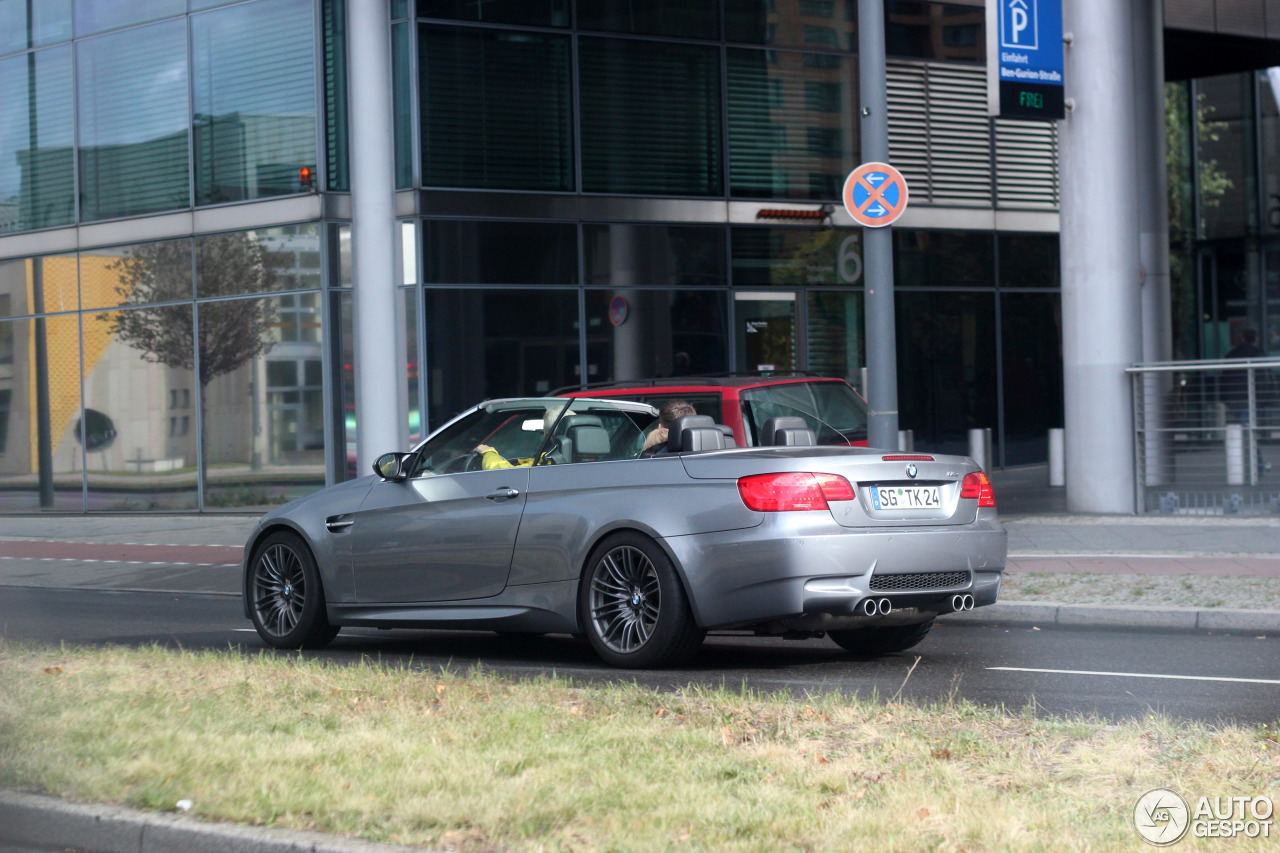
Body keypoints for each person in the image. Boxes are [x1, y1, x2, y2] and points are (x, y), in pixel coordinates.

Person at [1221, 328, 1269, 474]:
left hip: (1236, 400)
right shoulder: (1258, 354)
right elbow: (1265, 378)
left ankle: (1256, 466)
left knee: (1246, 430)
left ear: (1242, 338)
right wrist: (1266, 397)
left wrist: (1226, 399)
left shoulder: (1231, 355)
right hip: (1252, 399)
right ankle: (1258, 466)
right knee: (1249, 431)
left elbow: (1225, 379)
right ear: (1255, 339)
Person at [474, 406, 568, 470]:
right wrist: (520, 461)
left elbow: (503, 472)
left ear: (548, 435)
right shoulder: (576, 460)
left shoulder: (550, 463)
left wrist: (488, 452)